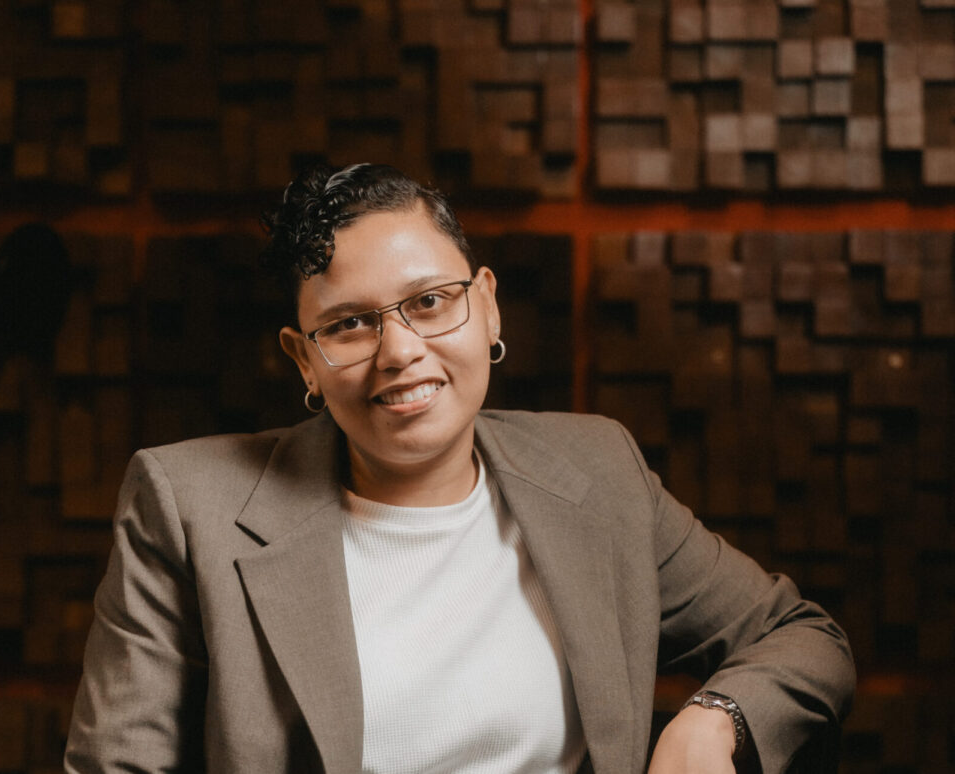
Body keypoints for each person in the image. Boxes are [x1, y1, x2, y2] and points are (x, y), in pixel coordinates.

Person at [64, 163, 855, 774]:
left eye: (430, 302)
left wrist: (715, 717)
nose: (400, 351)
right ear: (303, 359)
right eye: (350, 324)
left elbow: (800, 636)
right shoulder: (187, 507)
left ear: (487, 305)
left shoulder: (597, 469)